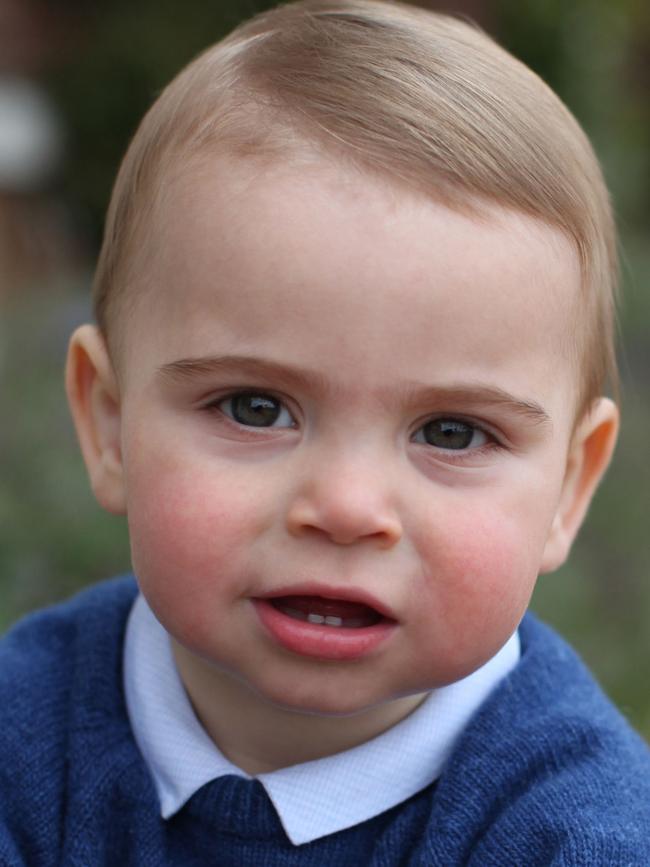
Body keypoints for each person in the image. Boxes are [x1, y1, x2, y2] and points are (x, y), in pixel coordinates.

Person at [1, 1, 649, 863]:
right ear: (109, 422)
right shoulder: (27, 731)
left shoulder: (576, 829)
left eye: (452, 432)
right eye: (255, 407)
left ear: (569, 489)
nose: (346, 507)